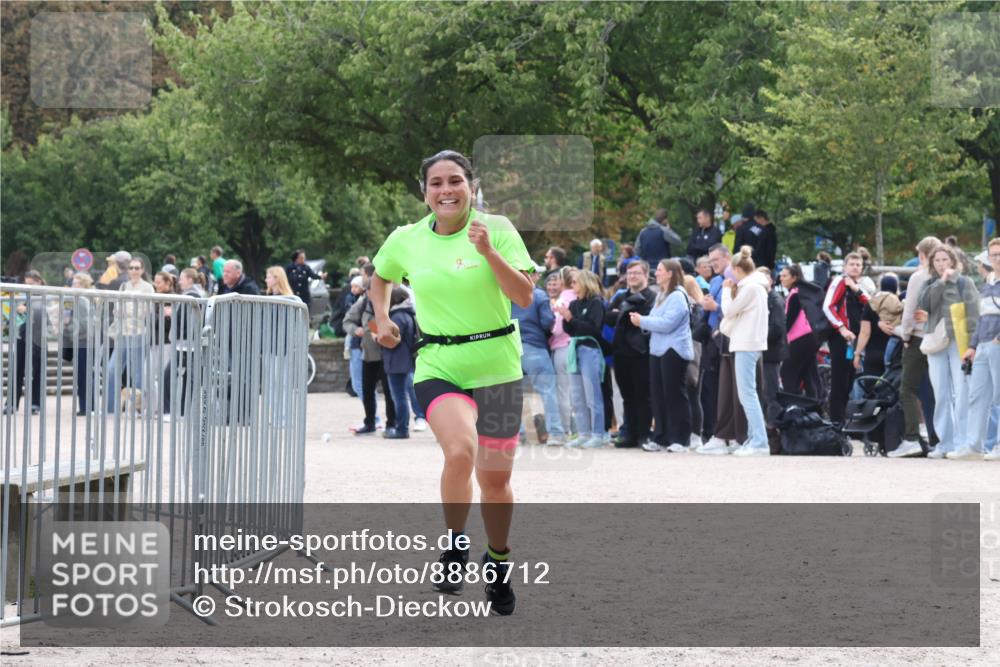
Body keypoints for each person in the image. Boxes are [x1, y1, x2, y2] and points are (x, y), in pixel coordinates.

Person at [369, 150, 534, 616]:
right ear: (425, 193)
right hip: (439, 361)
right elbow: (379, 279)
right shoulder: (406, 239)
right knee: (460, 449)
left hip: (498, 365)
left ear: (470, 187)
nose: (447, 190)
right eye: (437, 183)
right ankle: (456, 544)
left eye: (455, 181)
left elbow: (523, 295)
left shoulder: (496, 228)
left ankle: (497, 561)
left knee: (495, 480)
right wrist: (382, 319)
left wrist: (488, 253)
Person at [916, 244, 979, 458]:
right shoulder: (930, 283)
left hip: (958, 342)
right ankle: (945, 443)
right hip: (936, 342)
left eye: (945, 259)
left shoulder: (964, 282)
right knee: (940, 393)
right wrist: (941, 282)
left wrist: (973, 344)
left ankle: (963, 442)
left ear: (952, 260)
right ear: (932, 264)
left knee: (961, 393)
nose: (941, 264)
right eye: (937, 261)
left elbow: (973, 313)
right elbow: (924, 304)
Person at [888, 236, 942, 458]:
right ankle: (937, 437)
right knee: (934, 391)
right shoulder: (944, 278)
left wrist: (905, 333)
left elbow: (909, 310)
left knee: (908, 389)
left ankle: (911, 437)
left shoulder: (918, 277)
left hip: (918, 337)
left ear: (922, 254)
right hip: (939, 339)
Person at [632, 259, 692, 452]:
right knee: (658, 395)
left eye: (659, 270)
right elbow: (656, 320)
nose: (656, 274)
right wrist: (645, 322)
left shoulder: (677, 296)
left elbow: (667, 323)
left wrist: (642, 321)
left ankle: (680, 439)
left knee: (674, 394)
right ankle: (661, 436)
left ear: (670, 273)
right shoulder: (662, 295)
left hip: (673, 350)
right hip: (658, 349)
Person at [951, 239, 1000, 459]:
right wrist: (972, 346)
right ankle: (974, 446)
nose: (996, 258)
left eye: (999, 254)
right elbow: (982, 318)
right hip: (982, 346)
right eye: (993, 255)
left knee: (998, 397)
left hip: (997, 344)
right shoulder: (988, 283)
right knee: (977, 396)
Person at [720, 246, 770, 456]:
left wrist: (725, 291)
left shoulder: (750, 287)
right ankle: (754, 438)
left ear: (738, 269)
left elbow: (728, 310)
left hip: (746, 343)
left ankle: (759, 441)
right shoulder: (757, 286)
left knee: (747, 394)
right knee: (748, 393)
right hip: (750, 343)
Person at [605, 260, 656, 448]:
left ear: (645, 275)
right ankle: (629, 433)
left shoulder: (652, 296)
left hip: (642, 353)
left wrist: (623, 315)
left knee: (643, 395)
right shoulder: (620, 296)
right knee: (627, 395)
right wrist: (625, 315)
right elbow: (608, 317)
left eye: (636, 273)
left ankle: (643, 434)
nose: (632, 276)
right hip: (621, 352)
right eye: (630, 273)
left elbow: (647, 319)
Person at [553, 270, 607, 448]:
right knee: (577, 394)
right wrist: (566, 319)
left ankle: (598, 434)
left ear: (585, 283)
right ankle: (583, 433)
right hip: (574, 348)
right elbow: (570, 329)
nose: (573, 285)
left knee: (592, 393)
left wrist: (570, 318)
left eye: (575, 282)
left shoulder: (596, 303)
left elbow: (593, 328)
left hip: (589, 349)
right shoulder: (575, 303)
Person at [822, 252, 875, 424]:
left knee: (848, 380)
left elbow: (872, 305)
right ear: (845, 266)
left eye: (858, 265)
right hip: (841, 339)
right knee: (839, 380)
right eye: (851, 264)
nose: (855, 267)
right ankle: (836, 422)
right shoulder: (838, 281)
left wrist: (855, 288)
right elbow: (827, 307)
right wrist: (842, 328)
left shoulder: (857, 285)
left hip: (855, 340)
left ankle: (842, 421)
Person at [511, 277, 566, 446]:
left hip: (512, 347)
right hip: (534, 346)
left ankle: (519, 434)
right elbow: (547, 321)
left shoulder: (508, 294)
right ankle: (555, 432)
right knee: (547, 391)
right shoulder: (538, 295)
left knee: (516, 395)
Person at [343, 264, 396, 435]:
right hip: (369, 355)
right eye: (368, 290)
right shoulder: (363, 303)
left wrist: (379, 330)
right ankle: (370, 422)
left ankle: (392, 423)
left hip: (388, 355)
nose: (370, 293)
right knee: (367, 391)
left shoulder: (392, 301)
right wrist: (356, 330)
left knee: (390, 393)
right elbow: (347, 321)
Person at [106, 259, 155, 413]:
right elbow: (116, 309)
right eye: (131, 268)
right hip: (123, 333)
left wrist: (132, 311)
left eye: (137, 268)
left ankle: (137, 407)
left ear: (142, 270)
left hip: (139, 333)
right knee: (112, 369)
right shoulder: (123, 286)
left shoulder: (148, 287)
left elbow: (149, 310)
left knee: (138, 372)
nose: (134, 270)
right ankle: (111, 407)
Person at [779, 264, 823, 399]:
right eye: (781, 275)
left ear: (794, 277)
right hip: (811, 338)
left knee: (788, 372)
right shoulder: (802, 292)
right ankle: (815, 405)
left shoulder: (795, 295)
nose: (781, 278)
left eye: (785, 276)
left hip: (801, 338)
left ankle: (792, 405)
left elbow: (789, 321)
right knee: (809, 373)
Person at [381, 287, 419, 440]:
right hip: (406, 360)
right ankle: (403, 427)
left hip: (396, 361)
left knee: (399, 397)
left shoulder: (397, 317)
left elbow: (393, 341)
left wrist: (379, 337)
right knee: (404, 395)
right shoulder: (409, 314)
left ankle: (402, 429)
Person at [10, 270, 48, 414]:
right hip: (22, 335)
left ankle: (35, 404)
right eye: (26, 283)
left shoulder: (45, 294)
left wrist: (27, 309)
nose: (28, 286)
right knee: (17, 369)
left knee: (36, 371)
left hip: (38, 338)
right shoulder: (25, 294)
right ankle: (12, 404)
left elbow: (46, 313)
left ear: (38, 281)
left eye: (31, 283)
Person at [854, 274, 903, 381]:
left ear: (880, 287)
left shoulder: (871, 304)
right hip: (894, 354)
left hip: (873, 353)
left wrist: (857, 354)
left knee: (870, 390)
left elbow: (865, 333)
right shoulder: (900, 304)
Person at [758, 267, 787, 445]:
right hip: (764, 352)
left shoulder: (775, 300)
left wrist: (757, 338)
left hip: (770, 353)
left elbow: (777, 328)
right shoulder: (763, 298)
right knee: (763, 393)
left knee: (770, 394)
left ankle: (773, 433)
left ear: (771, 280)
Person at [548, 266, 578, 437]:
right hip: (576, 346)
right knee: (577, 389)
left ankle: (566, 427)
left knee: (563, 390)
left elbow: (557, 328)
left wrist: (548, 330)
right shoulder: (578, 296)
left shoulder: (562, 301)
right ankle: (582, 428)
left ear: (561, 281)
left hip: (562, 347)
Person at [65, 273, 95, 415]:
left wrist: (66, 326)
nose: (72, 286)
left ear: (83, 285)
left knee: (83, 376)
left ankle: (86, 407)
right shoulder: (81, 299)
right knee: (84, 375)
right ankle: (87, 406)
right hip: (83, 341)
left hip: (83, 342)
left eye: (75, 283)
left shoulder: (81, 301)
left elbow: (83, 325)